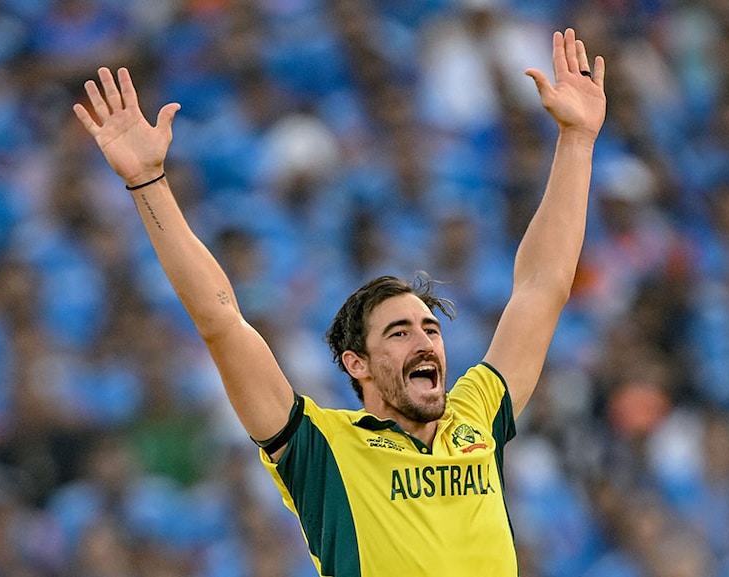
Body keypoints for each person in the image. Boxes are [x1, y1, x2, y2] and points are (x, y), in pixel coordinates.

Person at [73, 27, 606, 577]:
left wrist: (577, 141)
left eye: (429, 328)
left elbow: (541, 289)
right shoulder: (320, 451)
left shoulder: (475, 415)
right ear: (358, 364)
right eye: (398, 332)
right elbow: (222, 322)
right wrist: (149, 183)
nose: (424, 340)